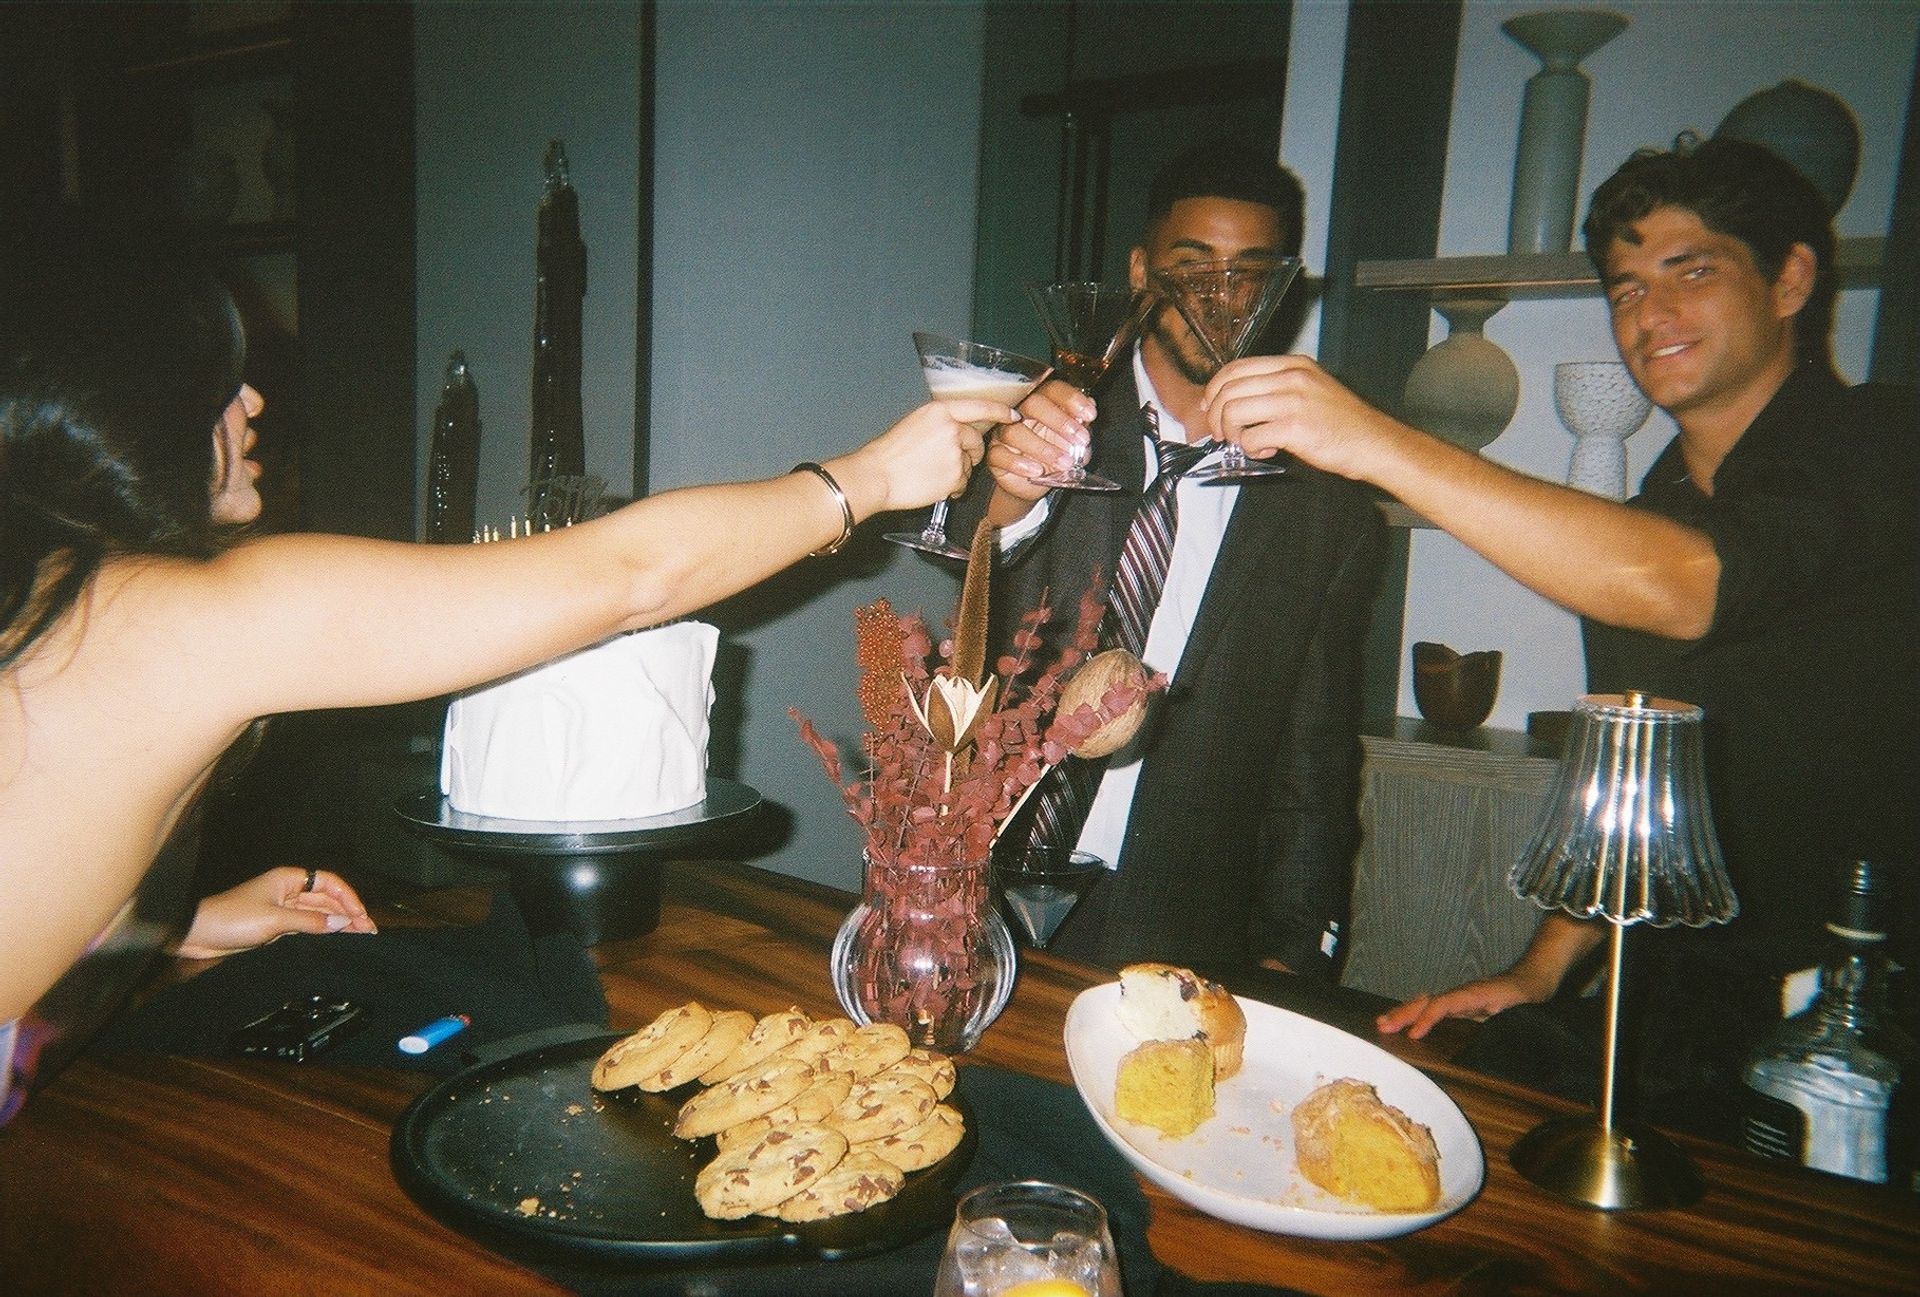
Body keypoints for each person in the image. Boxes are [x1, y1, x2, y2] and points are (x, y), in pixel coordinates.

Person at [0, 231, 1001, 1113]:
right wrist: (872, 478)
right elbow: (632, 576)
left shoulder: (54, 597)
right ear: (126, 403)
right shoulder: (166, 615)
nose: (253, 400)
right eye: (219, 376)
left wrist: (167, 924)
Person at [1200, 136, 1917, 1133]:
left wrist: (1377, 441)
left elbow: (1684, 586)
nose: (1649, 317)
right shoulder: (1656, 502)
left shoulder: (1883, 441)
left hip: (1857, 1017)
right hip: (1677, 998)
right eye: (1625, 289)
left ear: (1791, 278)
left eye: (1692, 272)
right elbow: (1631, 770)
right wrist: (1539, 971)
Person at [953, 139, 1387, 978]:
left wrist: (1293, 950)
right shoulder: (1041, 416)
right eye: (1193, 268)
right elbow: (973, 547)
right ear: (1143, 272)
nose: (1220, 300)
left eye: (1249, 273)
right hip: (982, 866)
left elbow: (1315, 754)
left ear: (1281, 286)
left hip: (1182, 911)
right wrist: (1008, 490)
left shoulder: (1327, 509)